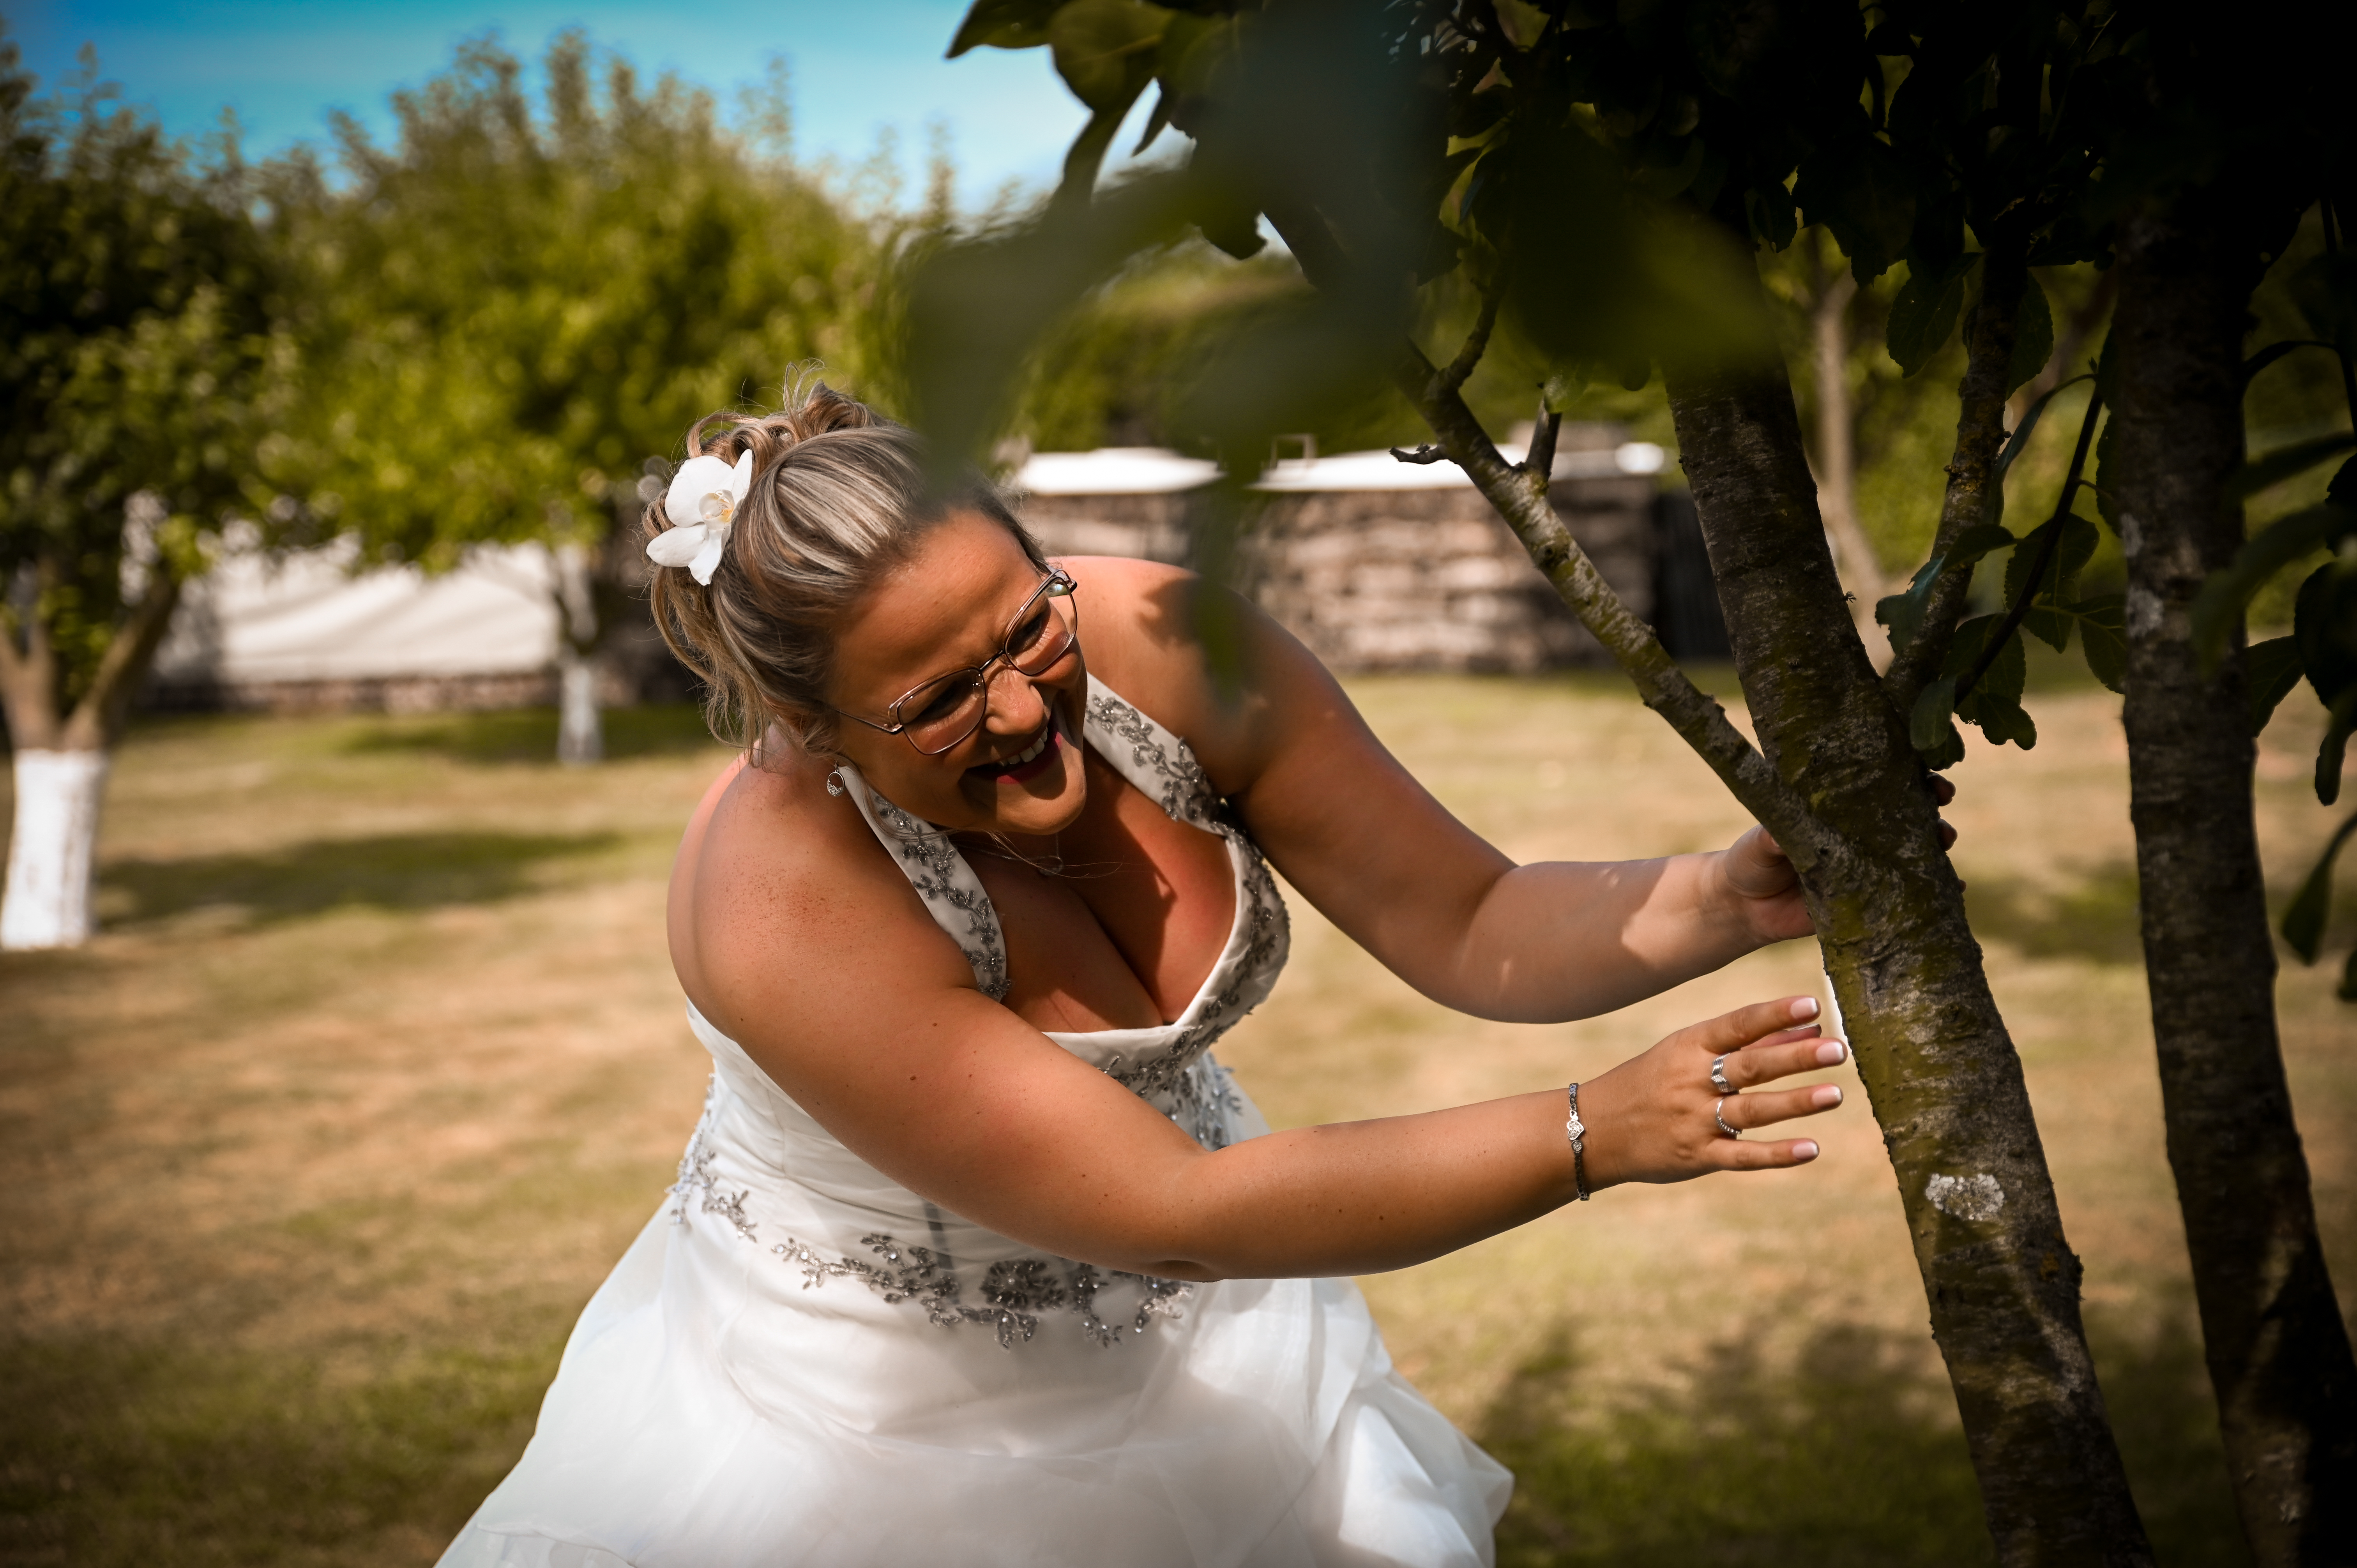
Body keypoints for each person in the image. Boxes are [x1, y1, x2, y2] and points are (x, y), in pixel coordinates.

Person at [438, 382, 1863, 1568]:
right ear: (810, 730)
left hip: (1211, 1336)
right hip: (858, 1424)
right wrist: (1588, 1133)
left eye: (1028, 624)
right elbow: (1170, 1213)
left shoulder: (1182, 652)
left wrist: (1710, 899)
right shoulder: (782, 904)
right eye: (936, 702)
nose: (1020, 706)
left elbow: (1472, 913)